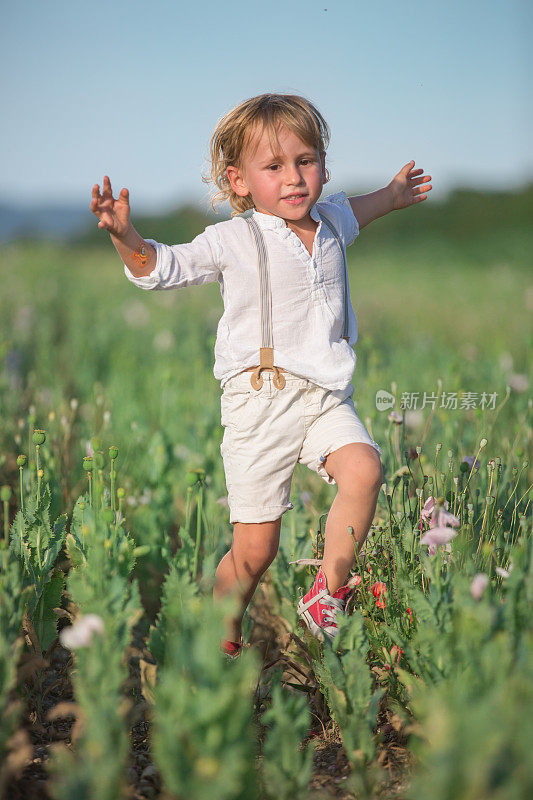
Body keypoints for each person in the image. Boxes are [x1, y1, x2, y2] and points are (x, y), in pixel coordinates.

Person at [90, 93, 432, 658]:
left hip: (323, 395)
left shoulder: (332, 219)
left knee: (365, 469)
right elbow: (164, 267)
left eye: (306, 160)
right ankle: (220, 629)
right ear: (239, 180)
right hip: (260, 400)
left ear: (323, 163)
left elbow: (366, 207)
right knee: (256, 550)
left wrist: (395, 195)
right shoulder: (234, 238)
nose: (295, 178)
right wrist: (126, 239)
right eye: (274, 167)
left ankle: (328, 592)